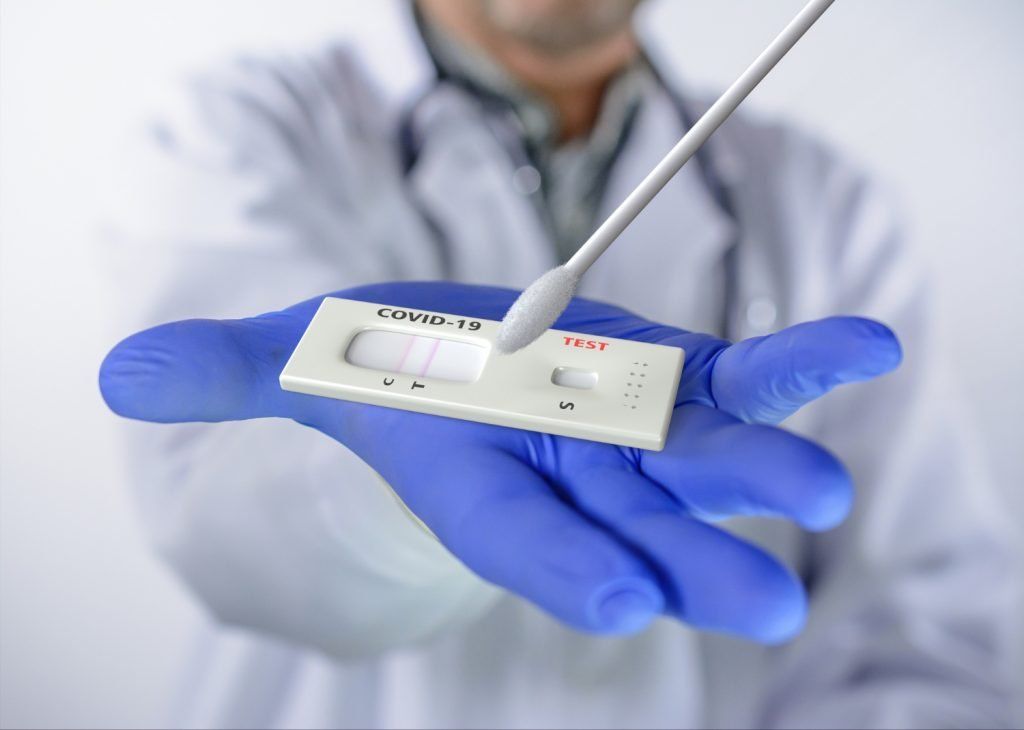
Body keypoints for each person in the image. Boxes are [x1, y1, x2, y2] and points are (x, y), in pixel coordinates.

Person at [100, 1, 1018, 727]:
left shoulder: (826, 205)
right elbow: (221, 510)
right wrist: (396, 495)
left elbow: (922, 635)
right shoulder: (247, 128)